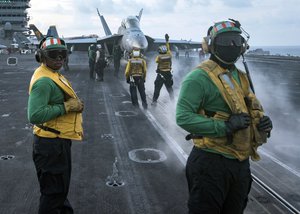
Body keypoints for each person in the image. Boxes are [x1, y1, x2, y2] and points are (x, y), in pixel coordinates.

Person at [176, 20, 273, 214]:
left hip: (240, 163)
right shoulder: (198, 78)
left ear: (243, 46)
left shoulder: (240, 76)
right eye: (227, 41)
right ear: (211, 45)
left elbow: (248, 107)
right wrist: (224, 127)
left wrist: (262, 123)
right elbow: (183, 117)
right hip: (210, 164)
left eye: (237, 41)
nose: (233, 46)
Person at [28, 36, 84, 214]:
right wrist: (67, 106)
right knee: (52, 196)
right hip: (50, 146)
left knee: (59, 192)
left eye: (63, 55)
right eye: (54, 55)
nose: (59, 59)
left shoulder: (52, 73)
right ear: (42, 57)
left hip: (57, 142)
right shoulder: (44, 81)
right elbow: (35, 115)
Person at [151, 33, 174, 106]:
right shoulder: (169, 55)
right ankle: (173, 101)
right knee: (170, 89)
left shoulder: (159, 57)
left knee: (157, 88)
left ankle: (154, 101)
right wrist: (167, 41)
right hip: (168, 74)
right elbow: (168, 49)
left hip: (161, 75)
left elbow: (156, 61)